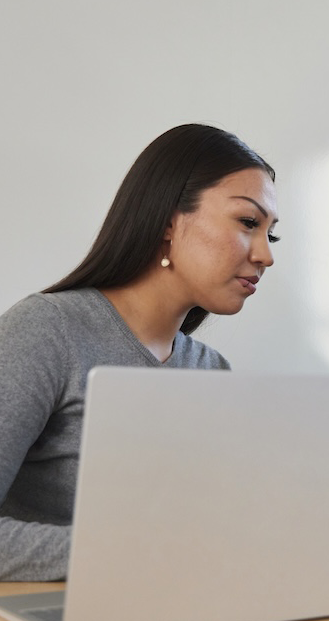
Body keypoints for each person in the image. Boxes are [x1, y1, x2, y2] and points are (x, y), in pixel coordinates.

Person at [0, 124, 279, 581]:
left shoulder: (212, 371)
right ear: (169, 221)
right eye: (249, 223)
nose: (266, 255)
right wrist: (127, 553)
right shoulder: (47, 332)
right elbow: (162, 549)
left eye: (272, 234)